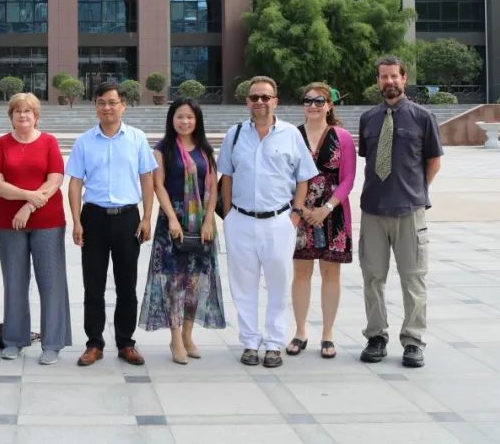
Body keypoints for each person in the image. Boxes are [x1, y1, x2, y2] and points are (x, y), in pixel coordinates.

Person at [218, 75, 316, 369]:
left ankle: (274, 343)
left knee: (278, 283)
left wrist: (296, 214)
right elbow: (227, 176)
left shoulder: (290, 134)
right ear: (247, 101)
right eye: (253, 97)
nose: (259, 102)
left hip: (278, 221)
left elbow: (303, 178)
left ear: (275, 100)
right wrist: (228, 215)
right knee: (242, 285)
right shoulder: (234, 134)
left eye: (265, 97)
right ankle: (250, 341)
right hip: (241, 220)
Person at [358, 55, 443, 368]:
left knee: (413, 279)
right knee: (372, 278)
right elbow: (369, 159)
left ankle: (413, 341)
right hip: (373, 211)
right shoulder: (368, 119)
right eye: (383, 77)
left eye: (394, 76)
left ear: (404, 79)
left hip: (409, 211)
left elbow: (433, 162)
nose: (389, 82)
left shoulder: (423, 117)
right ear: (378, 81)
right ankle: (376, 336)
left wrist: (416, 191)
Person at [66, 80, 157, 367]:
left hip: (128, 218)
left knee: (126, 285)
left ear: (123, 105)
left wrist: (146, 217)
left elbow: (147, 178)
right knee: (92, 285)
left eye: (112, 102)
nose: (107, 107)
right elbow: (75, 183)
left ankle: (126, 342)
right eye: (101, 102)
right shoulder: (84, 141)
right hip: (93, 218)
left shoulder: (137, 139)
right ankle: (94, 343)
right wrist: (76, 220)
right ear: (95, 107)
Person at [138, 98, 226, 364]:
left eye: (189, 117)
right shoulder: (163, 149)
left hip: (201, 223)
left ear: (197, 120)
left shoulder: (205, 150)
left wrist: (209, 219)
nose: (184, 121)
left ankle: (189, 336)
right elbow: (159, 185)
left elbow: (212, 188)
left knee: (195, 282)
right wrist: (172, 218)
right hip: (172, 223)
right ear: (171, 119)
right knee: (173, 283)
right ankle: (175, 339)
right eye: (179, 117)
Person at [0, 93, 70, 365]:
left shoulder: (48, 142)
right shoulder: (1, 144)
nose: (23, 115)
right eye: (18, 111)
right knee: (14, 281)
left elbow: (55, 179)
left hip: (47, 222)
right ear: (11, 115)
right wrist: (28, 195)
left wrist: (28, 206)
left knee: (51, 283)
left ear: (36, 115)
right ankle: (14, 339)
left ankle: (53, 343)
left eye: (28, 111)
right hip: (8, 224)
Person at [287, 83, 356, 360]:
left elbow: (348, 178)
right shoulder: (292, 135)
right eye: (308, 101)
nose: (313, 105)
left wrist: (326, 207)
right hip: (300, 212)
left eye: (319, 101)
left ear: (329, 105)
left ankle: (327, 333)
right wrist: (300, 208)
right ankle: (301, 331)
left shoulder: (342, 136)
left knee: (331, 274)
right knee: (301, 273)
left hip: (333, 213)